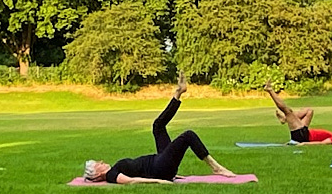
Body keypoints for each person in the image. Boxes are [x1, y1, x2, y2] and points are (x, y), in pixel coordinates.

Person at [82, 77, 238, 184]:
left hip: (159, 162)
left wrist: (172, 175)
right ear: (96, 174)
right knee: (188, 135)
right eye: (98, 164)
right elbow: (132, 181)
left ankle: (178, 93)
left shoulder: (112, 170)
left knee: (158, 126)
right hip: (160, 168)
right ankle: (216, 168)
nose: (101, 162)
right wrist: (159, 181)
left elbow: (138, 174)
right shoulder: (111, 175)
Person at [264, 83, 332, 144]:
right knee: (309, 111)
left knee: (287, 111)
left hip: (302, 136)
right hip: (304, 132)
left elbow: (321, 144)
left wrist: (304, 144)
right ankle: (284, 119)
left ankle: (270, 90)